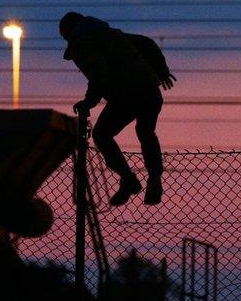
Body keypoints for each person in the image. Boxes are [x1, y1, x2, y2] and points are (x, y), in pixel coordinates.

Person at [59, 11, 175, 206]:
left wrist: (90, 101)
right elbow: (147, 43)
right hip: (149, 91)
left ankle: (128, 179)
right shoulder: (113, 34)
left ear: (69, 33)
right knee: (146, 133)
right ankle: (154, 179)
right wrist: (161, 70)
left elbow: (98, 72)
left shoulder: (82, 43)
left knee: (102, 135)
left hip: (126, 96)